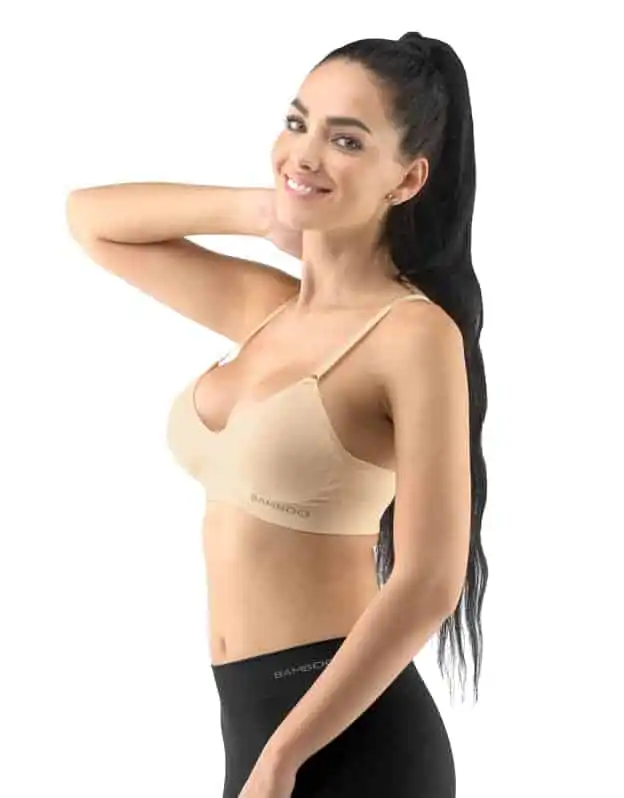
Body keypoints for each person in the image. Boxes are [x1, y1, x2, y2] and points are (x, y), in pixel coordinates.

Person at [67, 30, 488, 798]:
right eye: (298, 123)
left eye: (346, 140)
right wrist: (266, 211)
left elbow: (430, 579)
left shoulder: (412, 335)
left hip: (348, 738)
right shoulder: (265, 308)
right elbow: (89, 218)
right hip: (255, 728)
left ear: (407, 178)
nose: (306, 152)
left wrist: (283, 756)